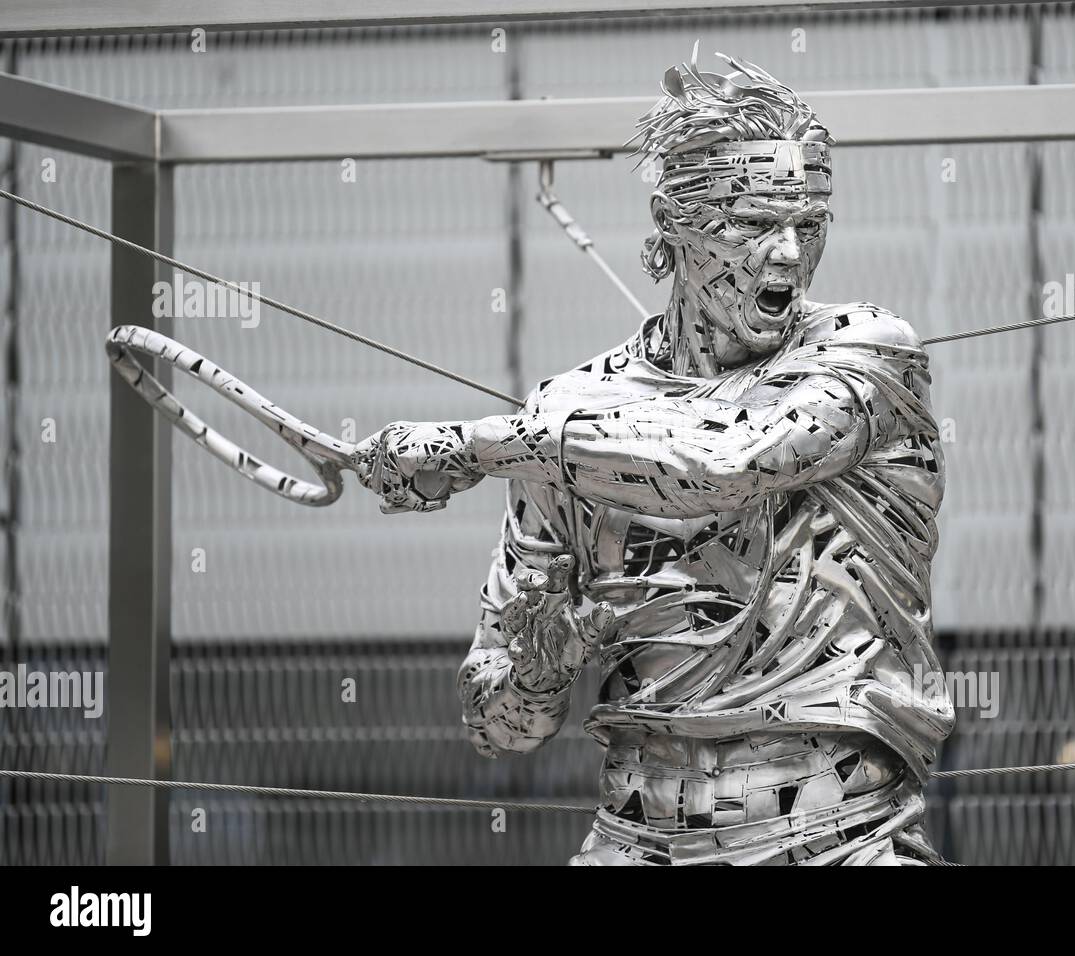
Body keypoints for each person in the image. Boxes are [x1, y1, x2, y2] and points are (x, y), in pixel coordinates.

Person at [353, 51, 954, 865]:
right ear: (674, 225)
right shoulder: (574, 415)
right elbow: (492, 724)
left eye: (809, 224)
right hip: (635, 838)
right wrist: (544, 662)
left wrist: (475, 445)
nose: (788, 254)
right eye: (753, 223)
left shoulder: (867, 354)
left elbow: (725, 466)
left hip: (840, 839)